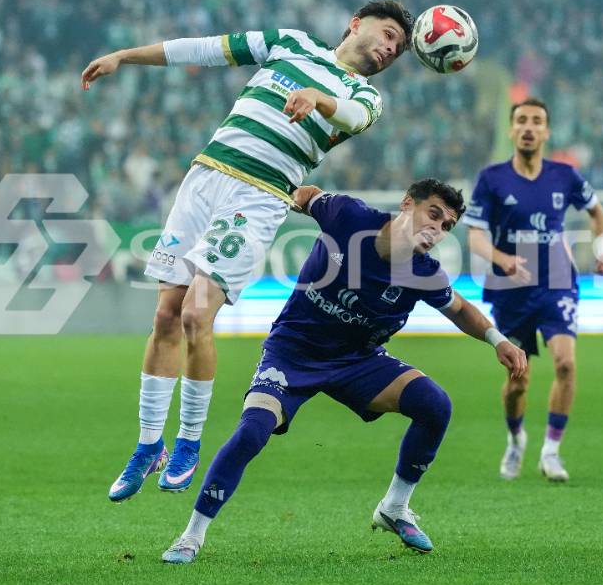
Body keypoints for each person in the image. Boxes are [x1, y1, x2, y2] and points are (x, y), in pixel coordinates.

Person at [82, 0, 415, 498]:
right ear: (355, 24)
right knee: (166, 316)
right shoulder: (290, 42)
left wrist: (318, 100)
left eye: (401, 47)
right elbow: (207, 49)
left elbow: (347, 114)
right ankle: (149, 445)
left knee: (198, 314)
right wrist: (124, 56)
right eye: (388, 34)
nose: (391, 48)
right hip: (204, 178)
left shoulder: (364, 96)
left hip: (258, 196)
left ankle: (189, 441)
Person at [159, 179, 528, 564]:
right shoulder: (349, 216)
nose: (436, 229)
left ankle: (394, 508)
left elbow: (460, 309)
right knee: (253, 430)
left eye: (447, 225)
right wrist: (265, 215)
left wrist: (498, 340)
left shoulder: (425, 272)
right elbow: (304, 195)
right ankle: (191, 536)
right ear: (407, 204)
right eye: (432, 214)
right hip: (292, 352)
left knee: (434, 404)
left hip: (357, 360)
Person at [465, 99, 603, 483]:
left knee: (565, 363)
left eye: (537, 122)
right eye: (522, 121)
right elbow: (475, 236)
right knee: (519, 382)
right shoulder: (492, 179)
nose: (529, 127)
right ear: (512, 130)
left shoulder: (565, 175)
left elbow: (597, 211)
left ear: (546, 132)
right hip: (511, 286)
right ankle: (516, 439)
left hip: (557, 279)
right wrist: (501, 257)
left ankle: (551, 451)